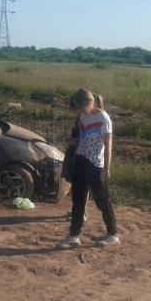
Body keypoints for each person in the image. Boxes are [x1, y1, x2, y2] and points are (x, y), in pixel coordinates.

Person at [57, 88, 119, 249]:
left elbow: (108, 144)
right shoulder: (83, 117)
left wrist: (106, 169)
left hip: (96, 165)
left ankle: (112, 234)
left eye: (79, 108)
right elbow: (85, 139)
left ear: (87, 103)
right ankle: (73, 236)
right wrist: (74, 142)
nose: (78, 112)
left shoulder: (103, 118)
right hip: (81, 160)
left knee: (102, 200)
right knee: (78, 200)